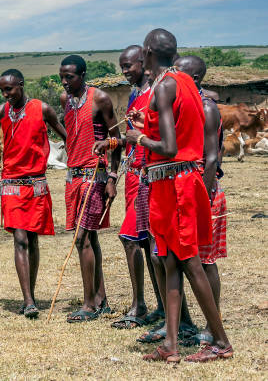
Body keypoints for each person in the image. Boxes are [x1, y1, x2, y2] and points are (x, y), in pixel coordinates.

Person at [126, 29, 232, 363]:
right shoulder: (184, 81)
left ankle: (220, 342)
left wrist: (139, 137)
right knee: (170, 261)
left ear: (146, 52)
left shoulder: (164, 86)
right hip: (172, 182)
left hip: (175, 184)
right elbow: (178, 127)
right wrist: (151, 122)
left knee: (188, 261)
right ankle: (171, 345)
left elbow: (169, 147)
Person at [0, 69, 67, 319]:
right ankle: (29, 300)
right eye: (2, 90)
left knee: (32, 240)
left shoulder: (42, 109)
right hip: (11, 183)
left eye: (9, 89)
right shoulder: (1, 112)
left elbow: (65, 135)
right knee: (19, 238)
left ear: (20, 85)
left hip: (36, 183)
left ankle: (29, 293)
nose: (5, 94)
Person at [97, 45, 164, 329]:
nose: (125, 71)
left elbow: (155, 136)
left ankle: (141, 305)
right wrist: (112, 145)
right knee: (142, 240)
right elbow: (130, 138)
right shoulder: (136, 93)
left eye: (129, 66)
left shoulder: (156, 93)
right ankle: (158, 306)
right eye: (121, 67)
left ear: (143, 62)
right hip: (134, 176)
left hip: (150, 175)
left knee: (133, 238)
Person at [59, 55, 121, 322]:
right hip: (73, 177)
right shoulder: (65, 101)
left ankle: (88, 305)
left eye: (69, 77)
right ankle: (101, 300)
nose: (64, 82)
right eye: (61, 76)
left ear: (82, 75)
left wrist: (112, 177)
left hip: (94, 176)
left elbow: (117, 136)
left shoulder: (100, 99)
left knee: (83, 239)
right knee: (90, 238)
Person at [175, 55, 228, 346]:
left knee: (206, 261)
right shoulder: (188, 105)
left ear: (193, 79)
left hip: (205, 193)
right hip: (188, 192)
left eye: (179, 73)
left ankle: (212, 325)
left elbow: (211, 159)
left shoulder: (207, 108)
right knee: (188, 260)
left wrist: (201, 198)